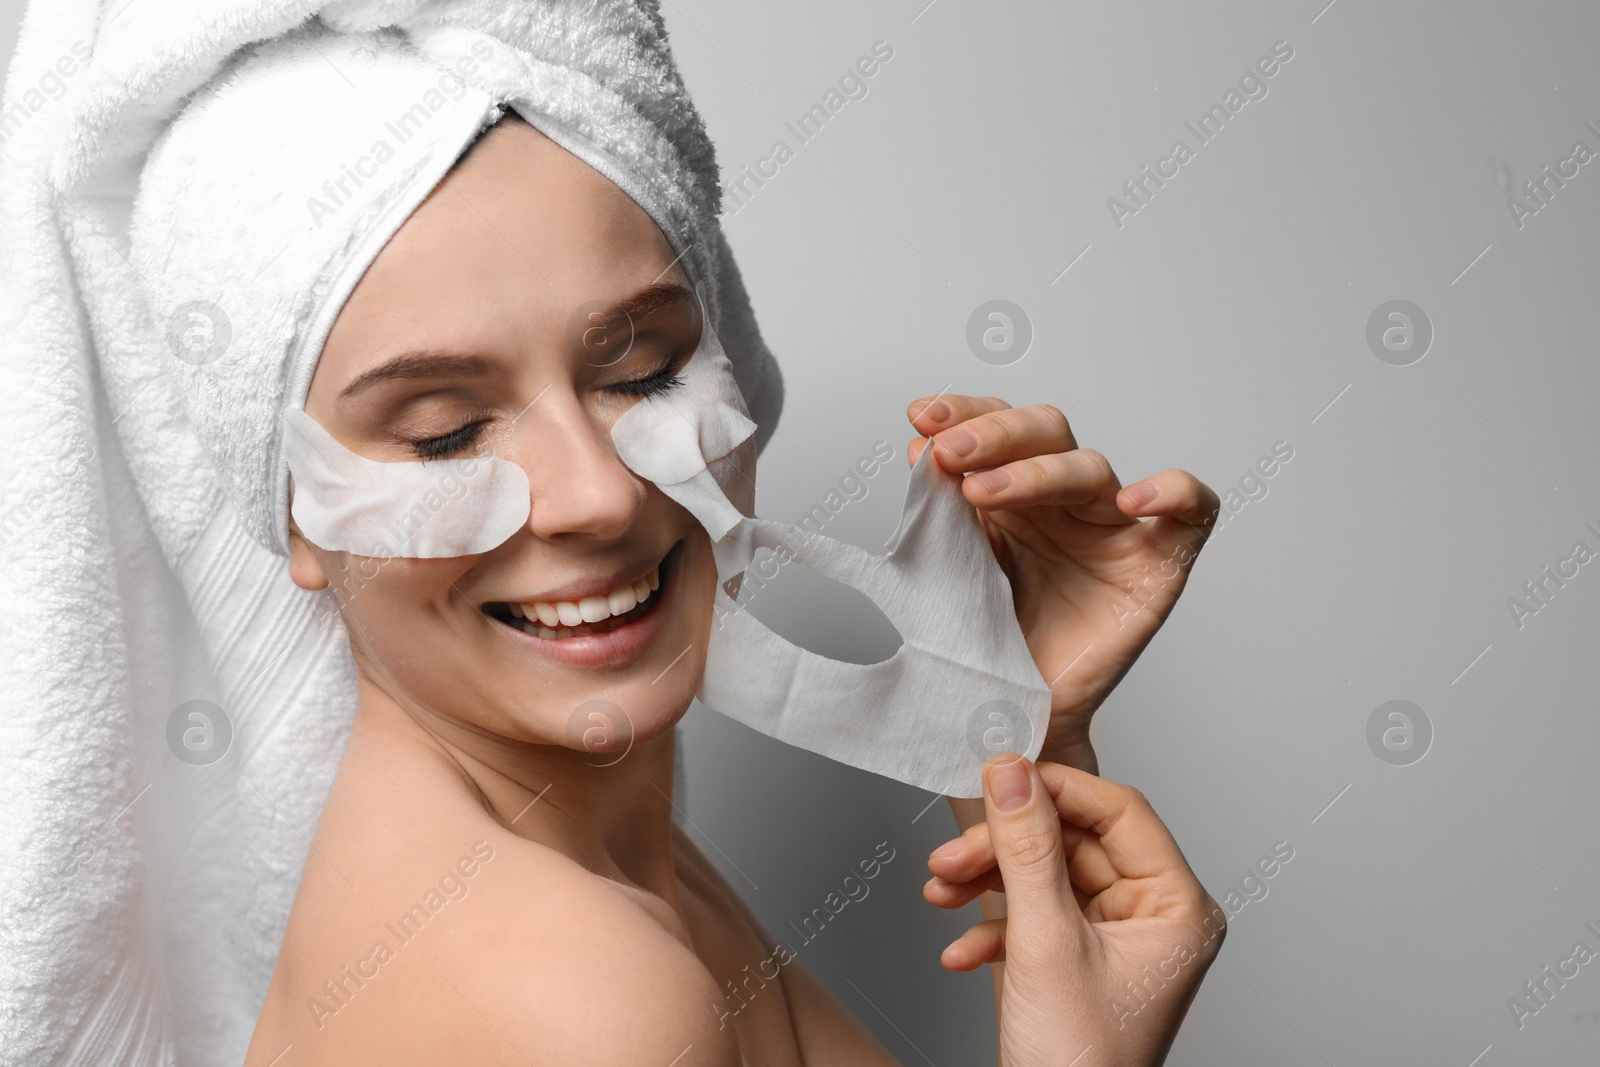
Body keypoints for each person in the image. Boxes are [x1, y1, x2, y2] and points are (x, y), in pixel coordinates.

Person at [240, 110, 1226, 1066]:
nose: (600, 491)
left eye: (644, 372)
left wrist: (994, 727)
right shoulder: (576, 999)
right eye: (446, 432)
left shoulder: (608, 868)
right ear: (292, 514)